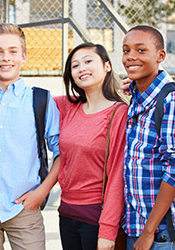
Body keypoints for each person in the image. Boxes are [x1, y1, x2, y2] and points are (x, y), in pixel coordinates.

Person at [0, 23, 60, 250]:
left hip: (24, 209)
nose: (5, 58)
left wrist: (41, 192)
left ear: (24, 56)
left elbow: (62, 152)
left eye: (12, 51)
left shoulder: (40, 100)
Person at [121, 25, 175, 250]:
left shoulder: (170, 99)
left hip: (162, 231)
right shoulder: (138, 94)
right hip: (136, 225)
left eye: (141, 50)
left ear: (160, 56)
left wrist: (149, 231)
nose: (131, 57)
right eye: (126, 50)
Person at [54, 42, 127, 250]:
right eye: (75, 66)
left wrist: (108, 230)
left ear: (107, 66)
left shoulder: (118, 113)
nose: (81, 68)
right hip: (66, 213)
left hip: (96, 216)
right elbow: (29, 100)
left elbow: (116, 176)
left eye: (88, 61)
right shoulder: (69, 106)